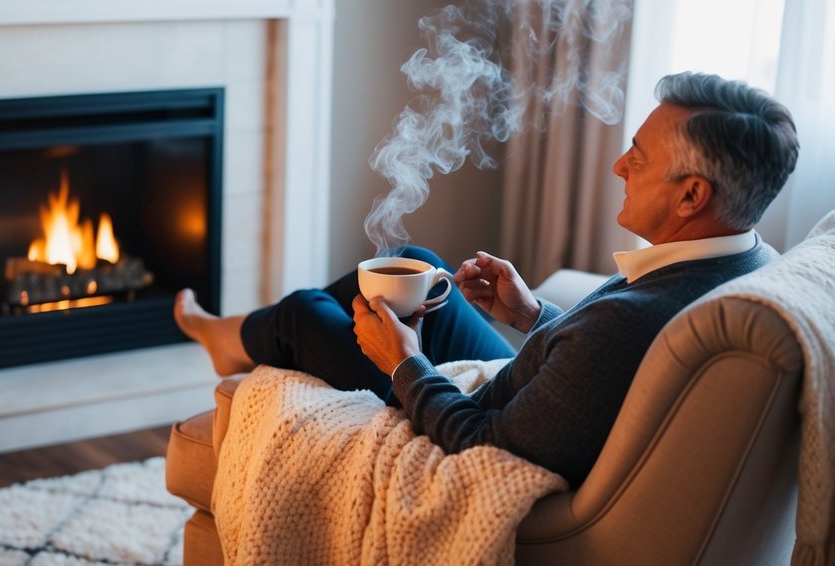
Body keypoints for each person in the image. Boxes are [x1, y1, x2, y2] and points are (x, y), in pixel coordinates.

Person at [174, 72, 799, 487]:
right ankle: (232, 337)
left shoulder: (638, 318)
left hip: (474, 425)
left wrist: (404, 363)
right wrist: (531, 316)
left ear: (692, 195)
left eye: (638, 156)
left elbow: (487, 445)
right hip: (530, 391)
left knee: (307, 314)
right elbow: (601, 364)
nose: (618, 165)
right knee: (415, 260)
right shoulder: (745, 264)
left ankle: (229, 340)